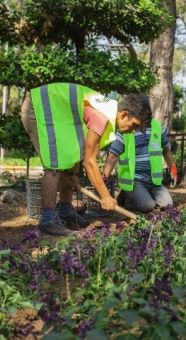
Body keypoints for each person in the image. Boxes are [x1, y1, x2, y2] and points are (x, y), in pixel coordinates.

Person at [21, 83, 146, 235]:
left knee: (71, 159)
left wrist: (71, 177)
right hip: (39, 109)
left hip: (56, 112)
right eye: (134, 125)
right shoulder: (101, 117)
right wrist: (105, 196)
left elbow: (82, 156)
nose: (133, 131)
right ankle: (47, 221)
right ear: (124, 114)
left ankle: (65, 211)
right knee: (53, 165)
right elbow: (89, 161)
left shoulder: (108, 111)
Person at [102, 97, 178, 213]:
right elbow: (112, 156)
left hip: (154, 181)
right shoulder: (125, 130)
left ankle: (136, 196)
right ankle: (127, 197)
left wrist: (172, 167)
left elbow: (166, 150)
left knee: (168, 205)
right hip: (135, 181)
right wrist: (105, 175)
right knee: (147, 206)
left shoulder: (157, 127)